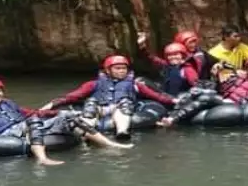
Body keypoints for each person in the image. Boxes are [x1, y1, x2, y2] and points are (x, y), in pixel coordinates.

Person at [0, 77, 131, 165]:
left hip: (23, 128)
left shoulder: (9, 103)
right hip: (4, 135)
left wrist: (56, 112)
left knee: (67, 116)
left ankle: (109, 145)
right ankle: (42, 159)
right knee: (33, 121)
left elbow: (34, 112)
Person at [41, 55, 177, 141]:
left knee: (125, 102)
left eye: (124, 68)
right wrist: (53, 104)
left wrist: (173, 101)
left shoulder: (135, 85)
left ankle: (122, 132)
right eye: (117, 68)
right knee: (91, 104)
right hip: (101, 107)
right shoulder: (94, 84)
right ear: (108, 70)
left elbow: (155, 96)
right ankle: (87, 132)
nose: (122, 71)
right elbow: (74, 96)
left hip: (121, 108)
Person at [157, 56, 248, 127]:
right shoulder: (241, 78)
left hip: (238, 106)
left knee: (206, 99)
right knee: (198, 93)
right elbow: (222, 89)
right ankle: (172, 113)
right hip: (226, 100)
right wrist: (216, 75)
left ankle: (172, 119)